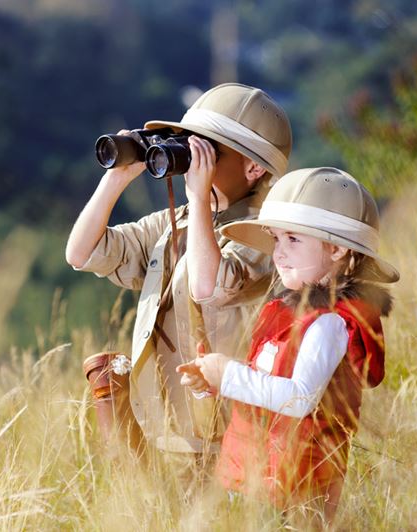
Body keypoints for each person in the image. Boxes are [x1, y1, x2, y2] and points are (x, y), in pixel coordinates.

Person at [66, 83, 293, 455]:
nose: (192, 159)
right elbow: (82, 252)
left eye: (209, 152)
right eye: (189, 145)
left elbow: (209, 287)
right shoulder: (179, 222)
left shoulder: (267, 235)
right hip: (164, 426)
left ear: (253, 167)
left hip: (226, 434)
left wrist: (199, 197)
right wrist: (117, 178)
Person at [177, 167, 399, 521]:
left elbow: (299, 398)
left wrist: (228, 376)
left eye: (293, 240)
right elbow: (263, 382)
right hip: (250, 476)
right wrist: (214, 382)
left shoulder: (330, 323)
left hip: (295, 488)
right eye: (276, 239)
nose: (278, 253)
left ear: (337, 248)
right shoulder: (283, 313)